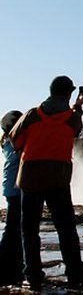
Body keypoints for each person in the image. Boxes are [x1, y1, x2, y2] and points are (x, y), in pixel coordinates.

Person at [9, 76, 83, 290]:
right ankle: (75, 273)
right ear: (69, 94)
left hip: (30, 177)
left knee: (29, 229)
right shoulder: (72, 118)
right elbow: (75, 130)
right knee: (66, 228)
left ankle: (33, 276)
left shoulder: (32, 115)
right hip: (58, 177)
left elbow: (15, 140)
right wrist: (78, 106)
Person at [0, 111, 24, 286]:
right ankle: (8, 269)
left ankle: (13, 268)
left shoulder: (6, 142)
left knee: (14, 228)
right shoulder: (16, 142)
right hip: (17, 188)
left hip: (11, 188)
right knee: (15, 230)